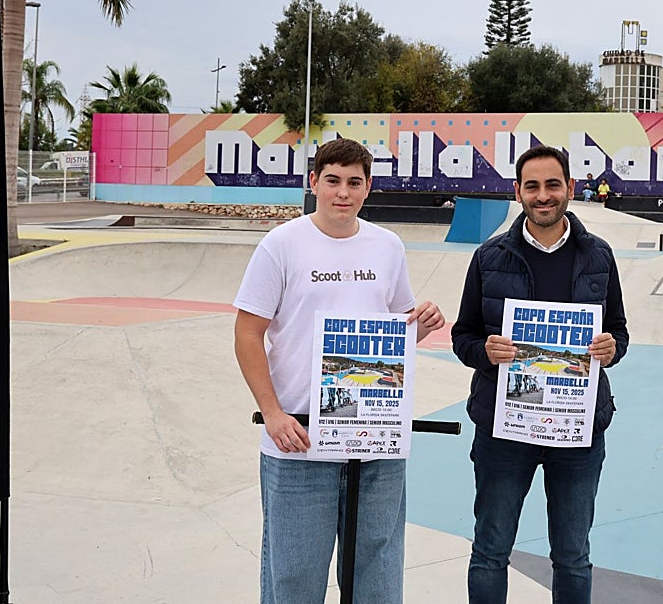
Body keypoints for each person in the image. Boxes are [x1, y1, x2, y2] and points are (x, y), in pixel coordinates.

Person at [234, 137, 446, 604]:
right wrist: (273, 414)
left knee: (377, 574)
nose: (343, 193)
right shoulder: (281, 245)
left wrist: (422, 325)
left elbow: (394, 335)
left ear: (368, 187)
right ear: (314, 182)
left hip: (374, 440)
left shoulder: (387, 246)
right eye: (332, 180)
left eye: (354, 182)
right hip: (300, 440)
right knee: (293, 578)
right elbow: (247, 334)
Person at [451, 145, 629, 603]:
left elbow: (619, 331)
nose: (543, 195)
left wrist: (611, 349)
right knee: (490, 552)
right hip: (504, 430)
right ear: (518, 192)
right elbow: (463, 335)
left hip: (577, 429)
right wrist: (484, 351)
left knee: (573, 557)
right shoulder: (489, 257)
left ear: (570, 187)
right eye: (532, 186)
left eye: (553, 184)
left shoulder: (599, 255)